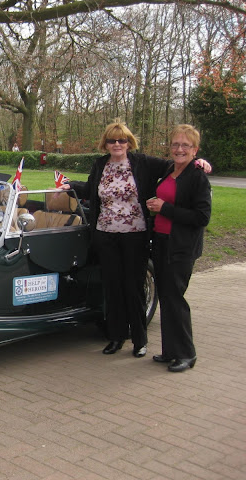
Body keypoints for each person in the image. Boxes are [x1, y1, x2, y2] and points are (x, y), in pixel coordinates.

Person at [62, 121, 211, 358]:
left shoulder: (143, 163)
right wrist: (70, 186)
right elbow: (92, 189)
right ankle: (116, 336)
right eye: (112, 140)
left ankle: (139, 340)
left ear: (129, 143)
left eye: (122, 140)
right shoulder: (100, 164)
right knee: (112, 287)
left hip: (135, 235)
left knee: (134, 287)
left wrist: (200, 162)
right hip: (106, 234)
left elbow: (177, 164)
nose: (117, 144)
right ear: (105, 144)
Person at [146, 125, 211, 372]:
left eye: (185, 145)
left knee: (175, 298)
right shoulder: (169, 170)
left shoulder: (197, 177)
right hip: (161, 242)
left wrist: (165, 208)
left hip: (181, 247)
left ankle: (186, 354)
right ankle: (170, 351)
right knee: (166, 297)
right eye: (175, 144)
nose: (179, 149)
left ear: (195, 150)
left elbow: (201, 217)